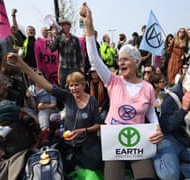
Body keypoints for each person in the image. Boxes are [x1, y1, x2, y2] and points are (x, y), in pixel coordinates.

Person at [79, 4, 164, 179]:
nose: (121, 62)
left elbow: (150, 113)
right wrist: (89, 25)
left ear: (136, 62)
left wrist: (157, 129)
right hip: (114, 140)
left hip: (138, 140)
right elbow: (94, 58)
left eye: (125, 59)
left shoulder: (147, 87)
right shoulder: (113, 81)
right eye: (119, 60)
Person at [7, 55, 103, 174]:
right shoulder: (67, 97)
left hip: (86, 140)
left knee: (97, 162)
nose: (74, 88)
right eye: (71, 85)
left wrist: (83, 130)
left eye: (77, 85)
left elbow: (98, 124)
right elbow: (46, 85)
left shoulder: (92, 101)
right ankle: (73, 159)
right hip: (68, 141)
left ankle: (75, 160)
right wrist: (22, 65)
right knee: (53, 161)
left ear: (83, 85)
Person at [25, 68, 58, 144]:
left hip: (49, 109)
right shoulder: (31, 89)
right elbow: (32, 107)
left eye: (40, 74)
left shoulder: (49, 87)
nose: (37, 76)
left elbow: (54, 105)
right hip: (37, 111)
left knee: (43, 112)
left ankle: (44, 133)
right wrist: (29, 97)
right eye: (35, 74)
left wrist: (44, 106)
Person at [49, 18, 84, 87]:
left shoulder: (75, 39)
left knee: (75, 87)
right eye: (61, 25)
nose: (62, 27)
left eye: (64, 25)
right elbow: (52, 49)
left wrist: (81, 66)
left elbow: (79, 54)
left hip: (74, 68)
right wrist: (53, 37)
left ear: (69, 27)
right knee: (63, 88)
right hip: (63, 69)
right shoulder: (58, 38)